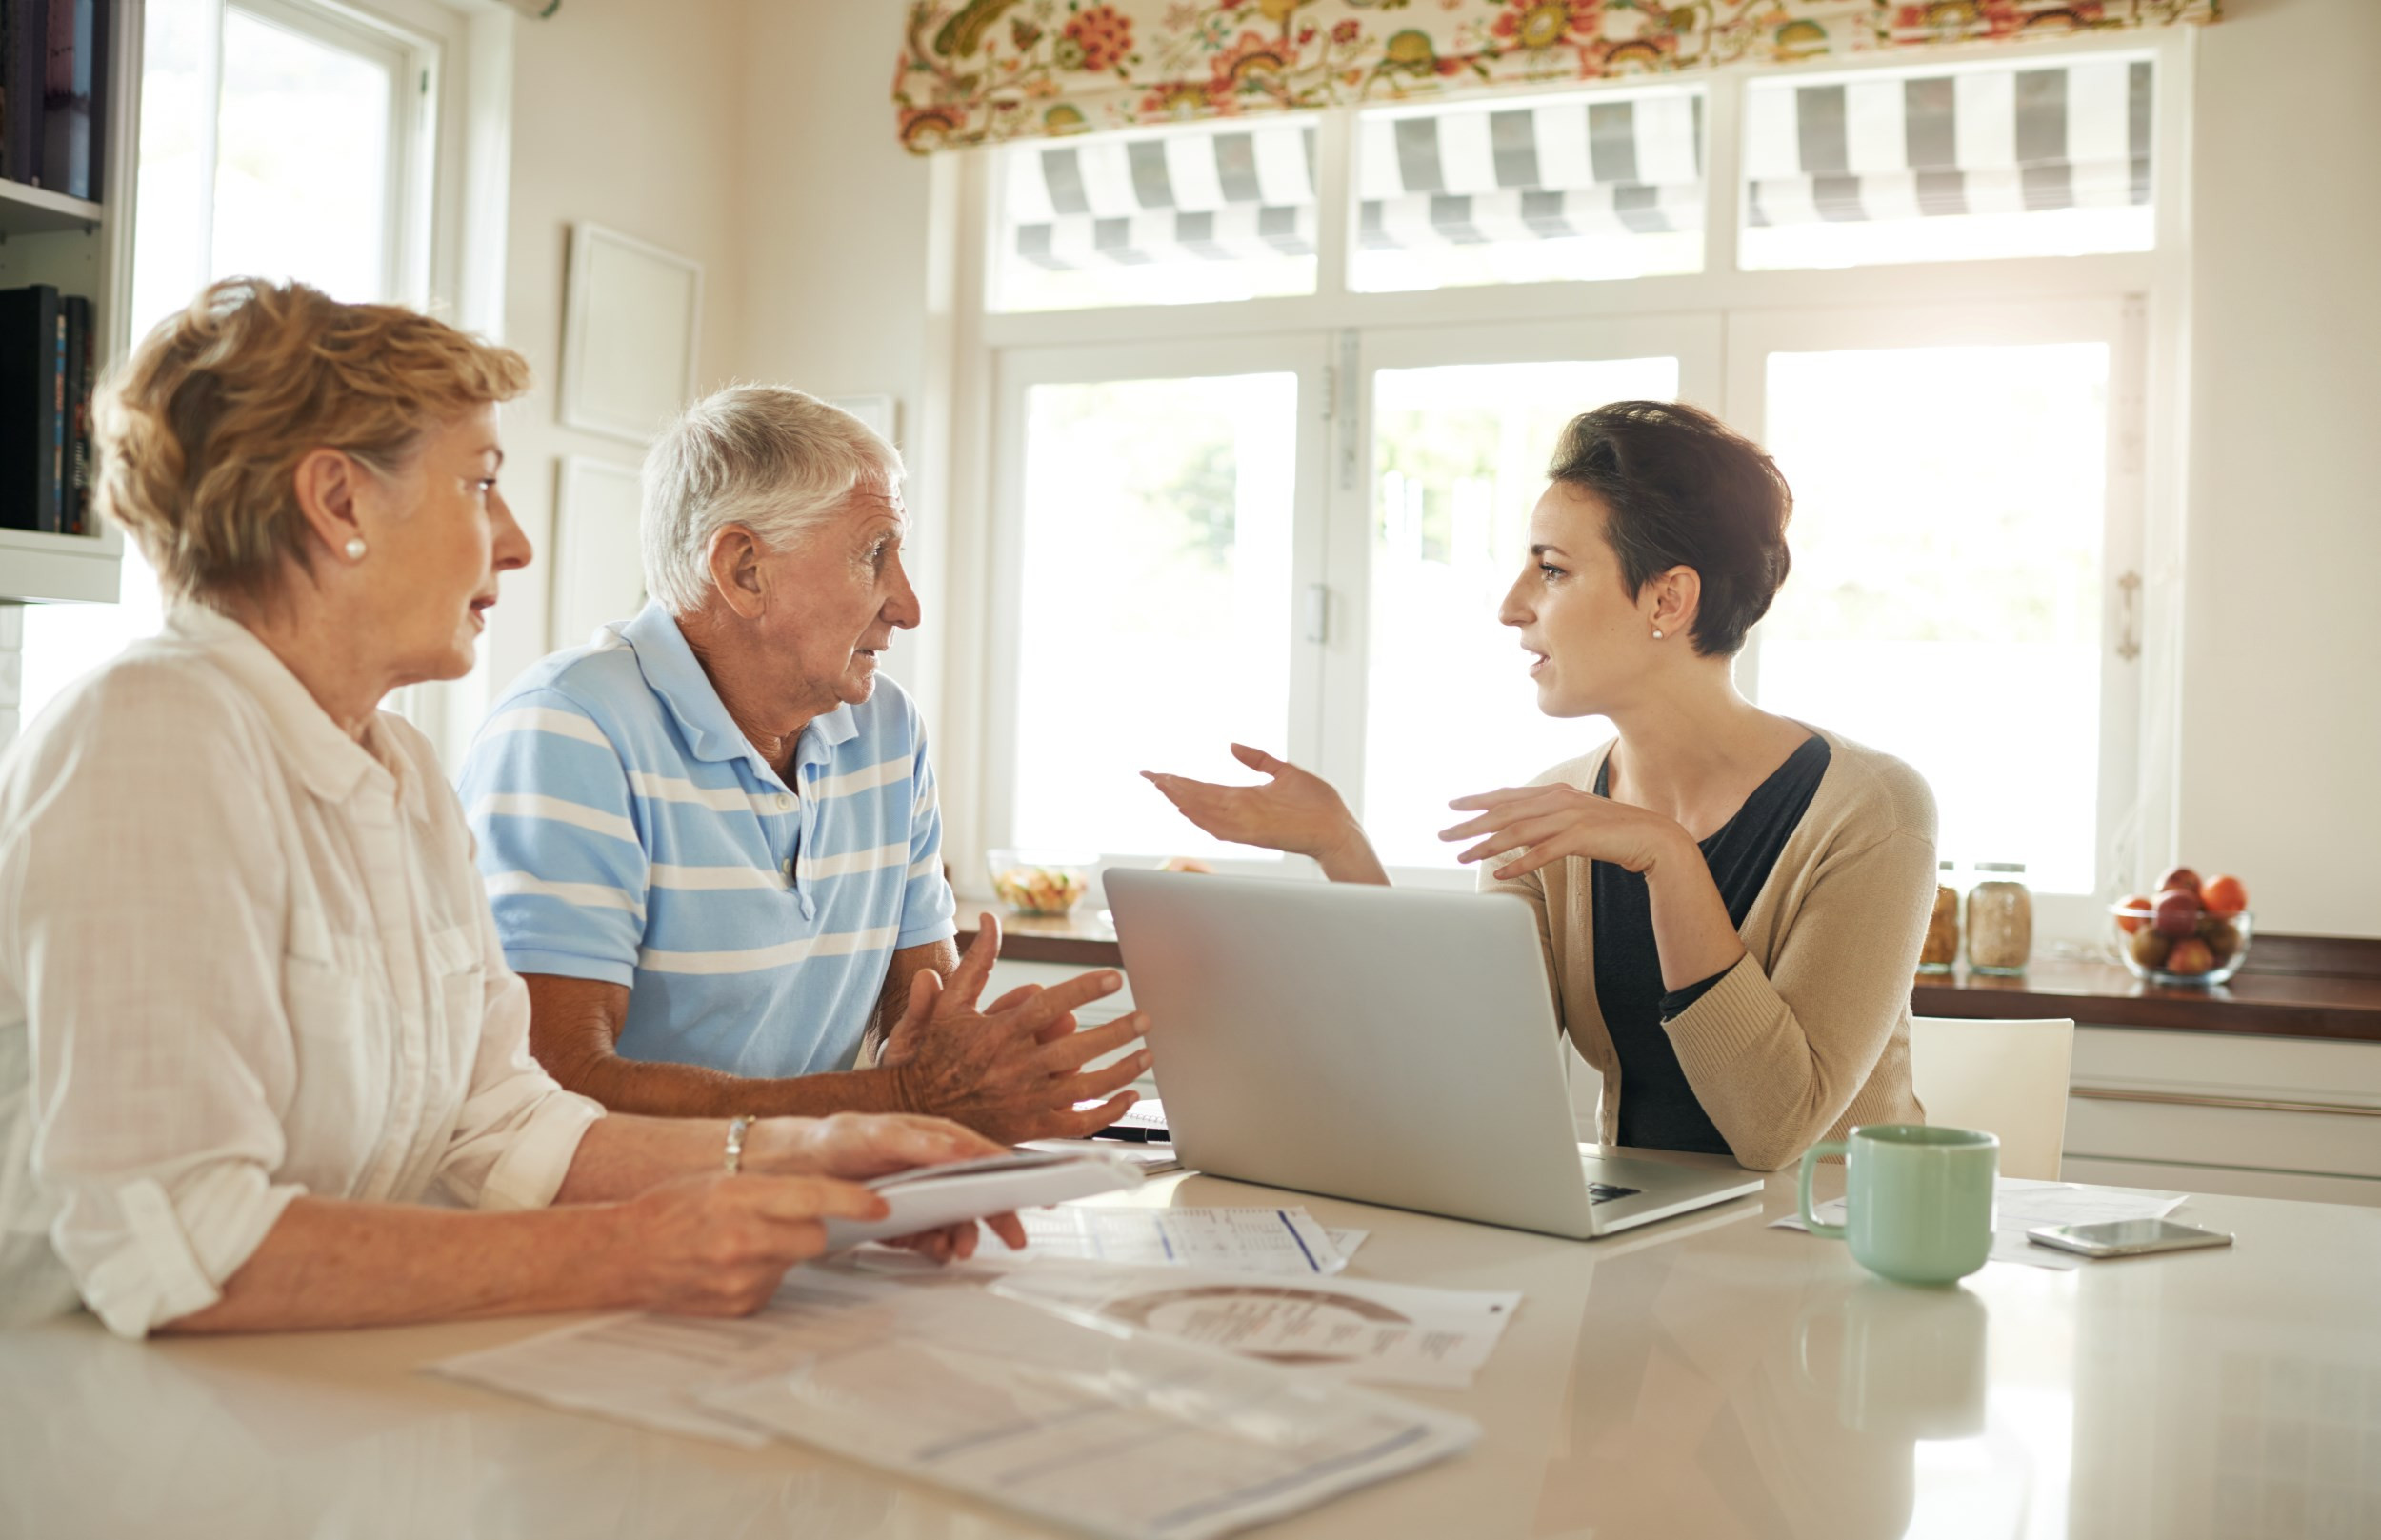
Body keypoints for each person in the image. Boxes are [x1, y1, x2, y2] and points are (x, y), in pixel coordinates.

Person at [0, 279, 1019, 1339]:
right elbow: (180, 1243)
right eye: (478, 485)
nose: (517, 541)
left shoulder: (395, 767)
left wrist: (815, 1155)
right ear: (338, 502)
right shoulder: (148, 737)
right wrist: (638, 1248)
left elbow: (504, 1126)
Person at [1146, 401, 1934, 1171]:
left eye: (1552, 570)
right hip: (1649, 1254)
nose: (1509, 606)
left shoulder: (1873, 811)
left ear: (1669, 599)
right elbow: (1467, 1068)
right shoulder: (1554, 810)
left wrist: (1667, 856)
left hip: (1835, 1263)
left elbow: (1774, 1127)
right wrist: (1340, 846)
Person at [456, 387, 1147, 1143]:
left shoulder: (887, 730)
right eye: (873, 553)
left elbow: (923, 1035)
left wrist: (978, 1068)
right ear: (745, 570)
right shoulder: (569, 727)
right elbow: (556, 1085)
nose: (907, 604)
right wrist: (903, 1099)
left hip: (802, 1207)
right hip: (624, 1226)